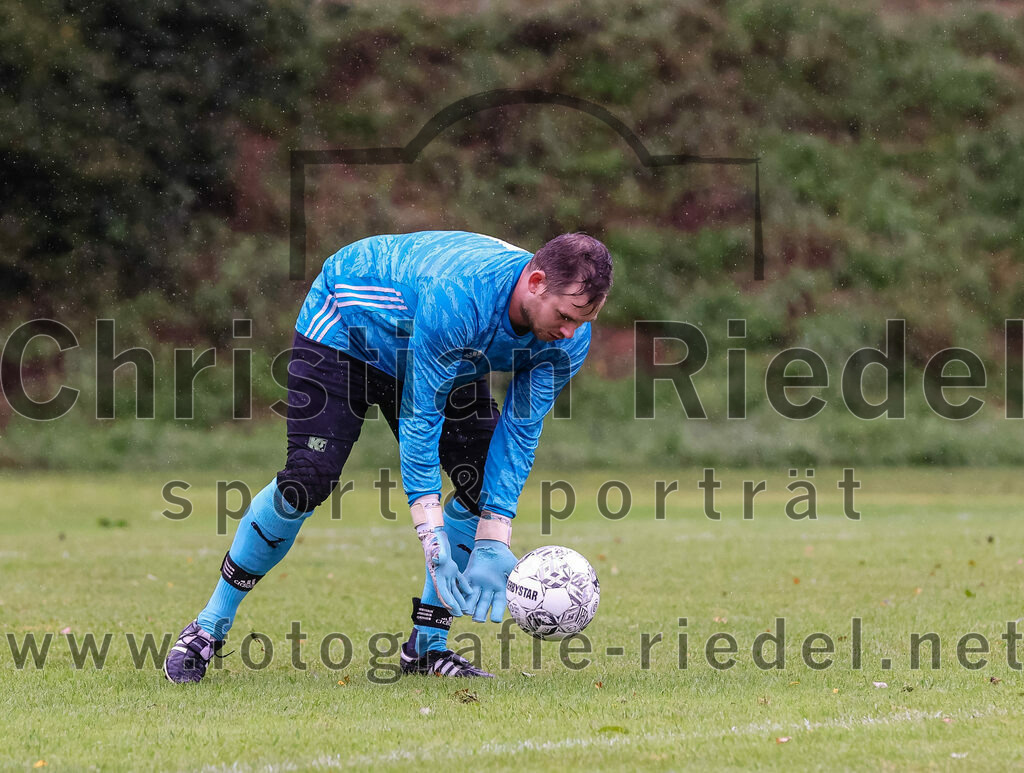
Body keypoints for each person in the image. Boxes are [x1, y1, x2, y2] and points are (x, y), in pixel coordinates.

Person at [163, 230, 612, 682]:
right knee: (307, 479)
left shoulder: (568, 339)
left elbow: (520, 430)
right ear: (535, 282)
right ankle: (207, 628)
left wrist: (495, 533)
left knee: (479, 481)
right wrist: (432, 533)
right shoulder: (462, 295)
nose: (570, 331)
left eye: (583, 319)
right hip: (345, 332)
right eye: (564, 315)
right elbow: (422, 417)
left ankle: (427, 648)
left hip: (441, 354)